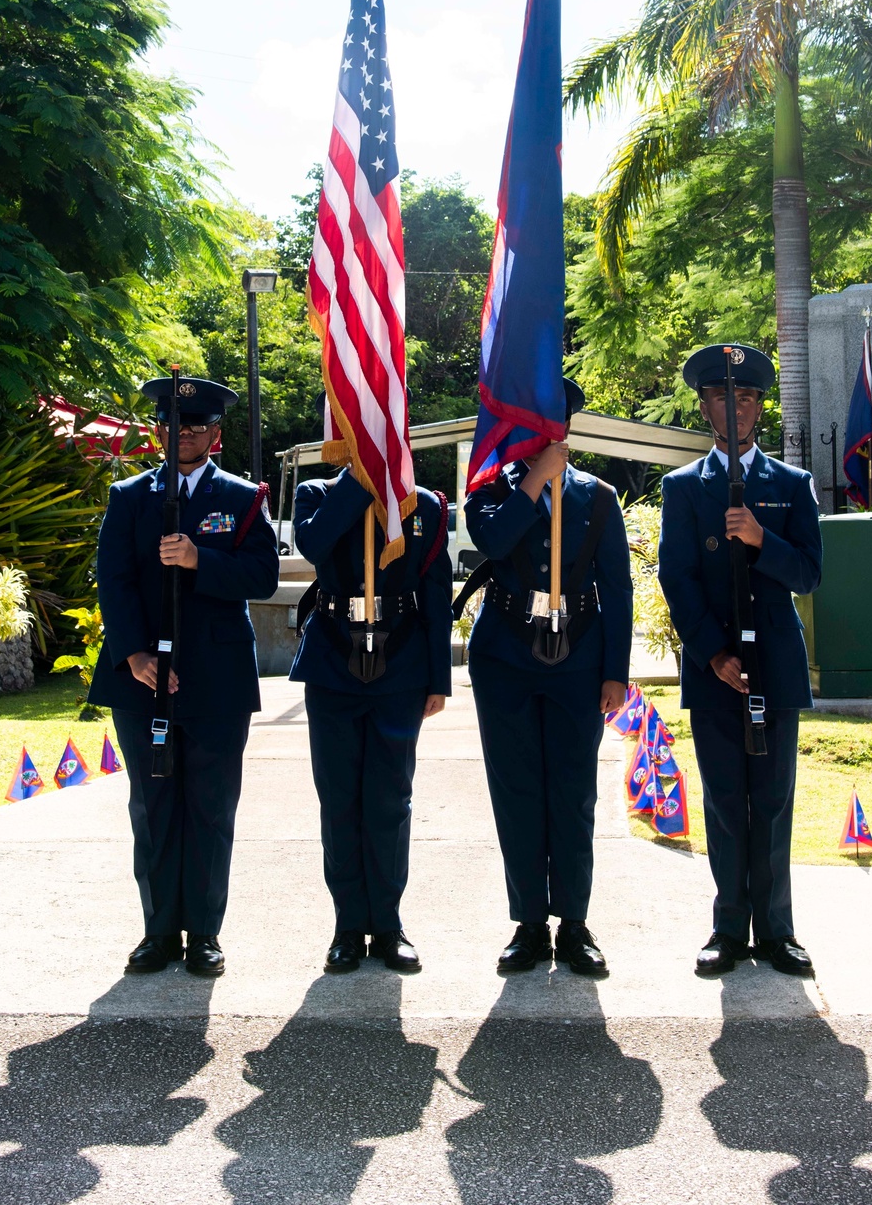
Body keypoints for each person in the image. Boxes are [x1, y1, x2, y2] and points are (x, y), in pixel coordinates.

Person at [88, 375, 279, 978]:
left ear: (215, 435)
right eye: (174, 425)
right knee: (152, 804)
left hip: (215, 679)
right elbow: (113, 581)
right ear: (158, 430)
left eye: (196, 427)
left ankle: (204, 934)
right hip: (144, 678)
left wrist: (202, 559)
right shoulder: (130, 497)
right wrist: (134, 657)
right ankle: (158, 931)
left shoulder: (244, 498)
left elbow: (262, 577)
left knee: (211, 806)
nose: (183, 435)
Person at [657, 344, 823, 979]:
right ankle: (729, 929)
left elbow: (808, 573)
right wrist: (713, 654)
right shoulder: (682, 488)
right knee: (726, 801)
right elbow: (678, 579)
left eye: (748, 398)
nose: (737, 408)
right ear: (707, 407)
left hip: (775, 667)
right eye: (724, 397)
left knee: (774, 802)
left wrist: (761, 539)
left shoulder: (791, 485)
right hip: (715, 667)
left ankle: (777, 932)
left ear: (760, 408)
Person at [464, 379, 633, 978]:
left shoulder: (597, 496)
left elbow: (616, 587)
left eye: (554, 422)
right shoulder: (489, 487)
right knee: (516, 790)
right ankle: (529, 922)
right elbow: (491, 538)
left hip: (578, 658)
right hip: (505, 656)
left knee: (571, 791)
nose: (546, 432)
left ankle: (575, 923)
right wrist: (535, 478)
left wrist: (617, 673)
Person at [290, 436, 453, 976]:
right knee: (339, 802)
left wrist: (437, 677)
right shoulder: (316, 493)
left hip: (400, 662)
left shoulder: (421, 504)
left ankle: (387, 925)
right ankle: (345, 927)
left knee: (389, 800)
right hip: (334, 659)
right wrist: (356, 483)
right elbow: (314, 545)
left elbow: (434, 596)